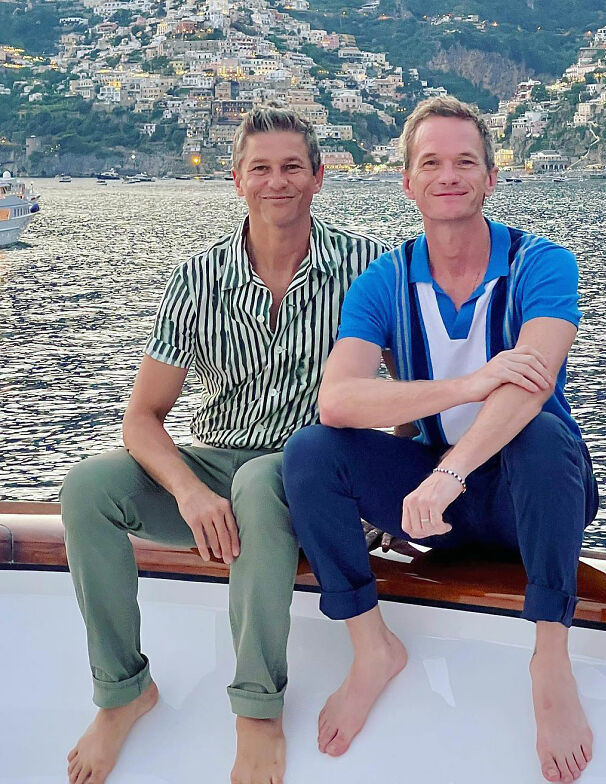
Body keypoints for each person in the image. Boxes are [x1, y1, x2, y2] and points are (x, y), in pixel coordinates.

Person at [59, 104, 387, 784]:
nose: (278, 181)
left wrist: (393, 498)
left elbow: (417, 386)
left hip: (309, 475)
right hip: (215, 463)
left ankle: (257, 712)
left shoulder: (367, 267)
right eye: (260, 168)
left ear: (320, 177)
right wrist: (185, 489)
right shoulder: (196, 280)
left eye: (293, 166)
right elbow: (143, 417)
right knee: (88, 489)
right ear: (236, 179)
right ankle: (124, 692)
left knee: (261, 483)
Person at [283, 96, 599, 784]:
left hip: (534, 504)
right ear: (408, 182)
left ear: (491, 177)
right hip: (438, 505)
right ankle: (371, 647)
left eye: (465, 161)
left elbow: (533, 380)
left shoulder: (542, 264)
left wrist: (449, 472)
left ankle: (550, 657)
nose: (447, 175)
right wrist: (466, 384)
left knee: (542, 433)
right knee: (308, 451)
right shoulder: (384, 282)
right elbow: (338, 399)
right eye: (431, 162)